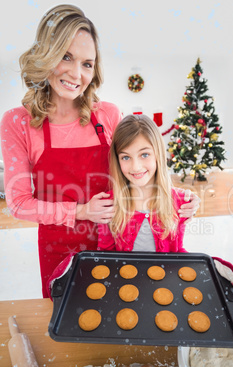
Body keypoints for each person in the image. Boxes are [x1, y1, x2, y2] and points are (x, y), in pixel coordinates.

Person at [1, 5, 199, 298]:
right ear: (46, 53)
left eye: (87, 63)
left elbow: (134, 171)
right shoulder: (18, 122)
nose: (76, 73)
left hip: (120, 241)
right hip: (61, 251)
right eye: (66, 56)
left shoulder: (107, 114)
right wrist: (81, 211)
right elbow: (18, 203)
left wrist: (178, 196)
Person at [97, 114, 190, 253]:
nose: (136, 167)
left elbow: (177, 252)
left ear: (158, 154)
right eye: (126, 157)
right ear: (117, 160)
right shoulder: (108, 204)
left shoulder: (181, 202)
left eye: (144, 155)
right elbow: (105, 255)